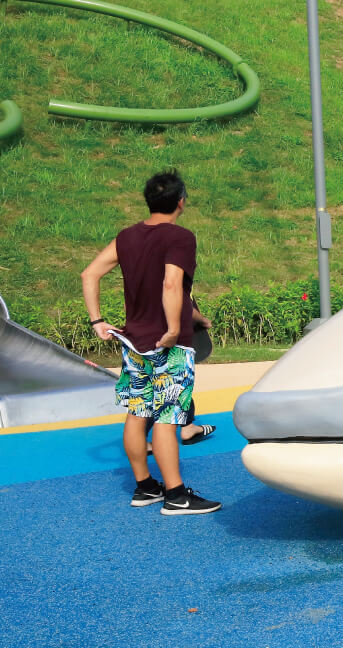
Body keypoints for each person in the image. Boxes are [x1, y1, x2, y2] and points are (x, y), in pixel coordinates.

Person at [78, 170, 220, 516]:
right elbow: (171, 284)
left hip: (134, 341)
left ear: (149, 200)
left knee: (137, 412)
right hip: (169, 344)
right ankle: (176, 495)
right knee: (168, 418)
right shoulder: (180, 237)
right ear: (181, 202)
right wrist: (173, 329)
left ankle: (144, 487)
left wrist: (97, 321)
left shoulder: (126, 237)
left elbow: (89, 273)